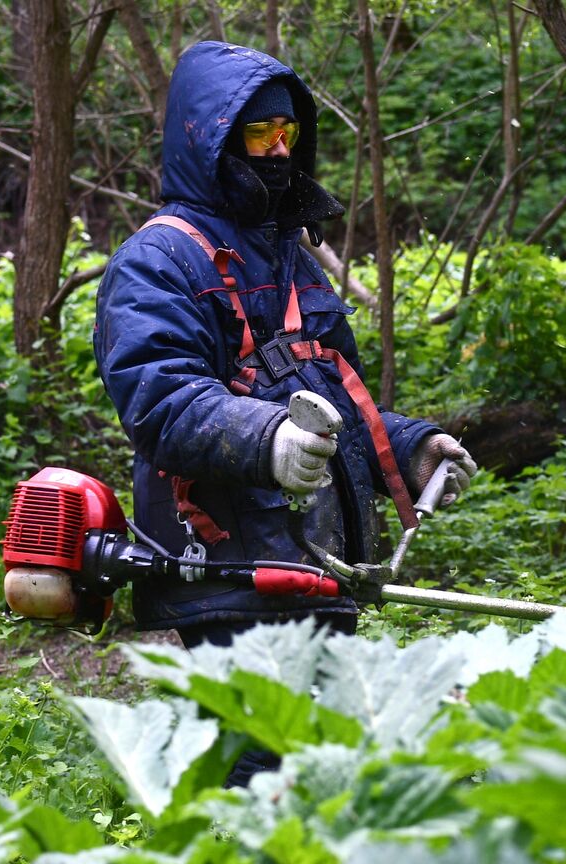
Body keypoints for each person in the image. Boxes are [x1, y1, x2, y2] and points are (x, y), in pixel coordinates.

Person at [94, 41, 475, 777]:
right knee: (264, 770)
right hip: (230, 569)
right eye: (257, 134)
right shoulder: (158, 262)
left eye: (288, 135)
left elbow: (331, 399)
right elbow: (159, 397)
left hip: (317, 567)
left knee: (328, 759)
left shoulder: (289, 256)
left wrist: (414, 446)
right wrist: (266, 438)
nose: (276, 150)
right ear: (210, 139)